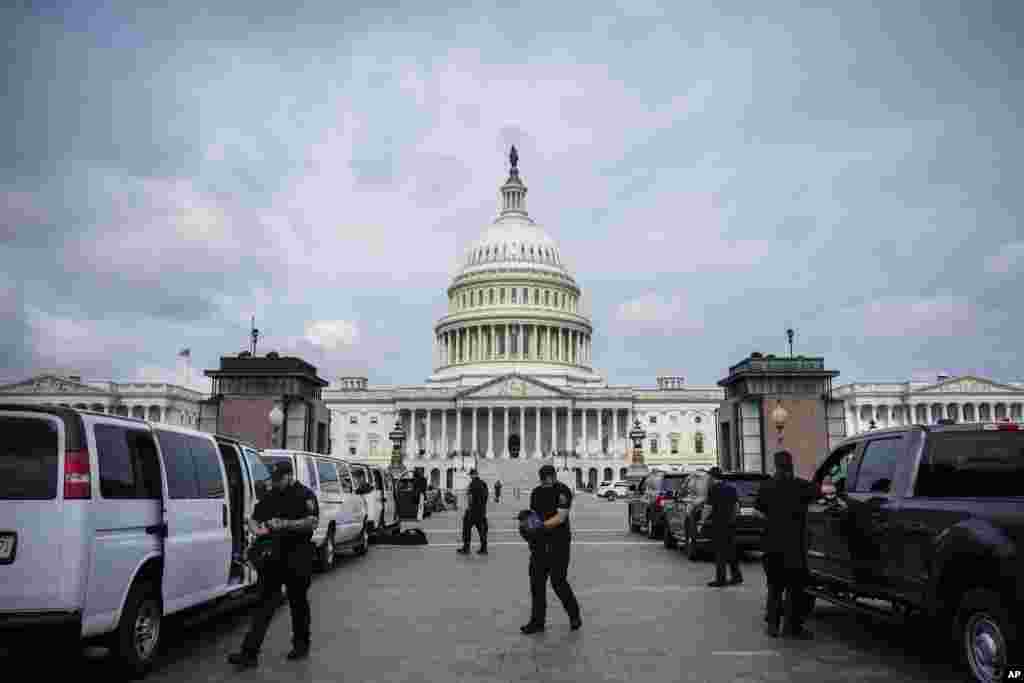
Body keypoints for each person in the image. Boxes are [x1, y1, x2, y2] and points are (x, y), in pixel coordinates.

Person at [228, 461, 318, 671]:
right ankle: (249, 654)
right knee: (265, 604)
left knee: (298, 603)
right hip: (274, 558)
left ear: (289, 476)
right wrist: (256, 530)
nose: (275, 483)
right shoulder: (272, 495)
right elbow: (253, 518)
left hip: (298, 556)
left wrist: (284, 524)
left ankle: (301, 645)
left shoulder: (305, 495)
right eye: (274, 479)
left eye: (279, 479)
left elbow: (312, 522)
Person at [755, 450, 818, 639]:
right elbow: (819, 492)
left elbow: (759, 512)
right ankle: (792, 627)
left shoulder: (766, 486)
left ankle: (773, 626)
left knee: (774, 587)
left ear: (775, 465)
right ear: (791, 464)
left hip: (772, 545)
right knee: (794, 589)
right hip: (794, 546)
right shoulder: (800, 486)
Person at [521, 464, 581, 634]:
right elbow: (534, 515)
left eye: (549, 479)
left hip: (559, 544)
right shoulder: (536, 492)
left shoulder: (563, 491)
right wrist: (527, 525)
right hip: (539, 546)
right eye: (545, 480)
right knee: (537, 584)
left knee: (558, 582)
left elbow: (561, 517)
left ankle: (574, 616)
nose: (548, 482)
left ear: (554, 477)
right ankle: (537, 622)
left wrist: (539, 527)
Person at [706, 467, 743, 587]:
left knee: (720, 553)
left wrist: (701, 521)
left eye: (709, 477)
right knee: (731, 551)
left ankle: (720, 579)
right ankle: (736, 576)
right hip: (731, 524)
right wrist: (734, 519)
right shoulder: (731, 487)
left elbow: (709, 508)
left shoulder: (713, 489)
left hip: (718, 524)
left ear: (712, 477)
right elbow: (737, 506)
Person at [458, 469, 489, 555]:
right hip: (482, 511)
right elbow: (486, 496)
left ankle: (466, 548)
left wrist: (469, 507)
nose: (470, 477)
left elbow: (470, 497)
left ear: (472, 475)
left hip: (472, 511)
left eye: (470, 475)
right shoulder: (483, 483)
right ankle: (484, 549)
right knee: (482, 530)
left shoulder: (472, 484)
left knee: (466, 529)